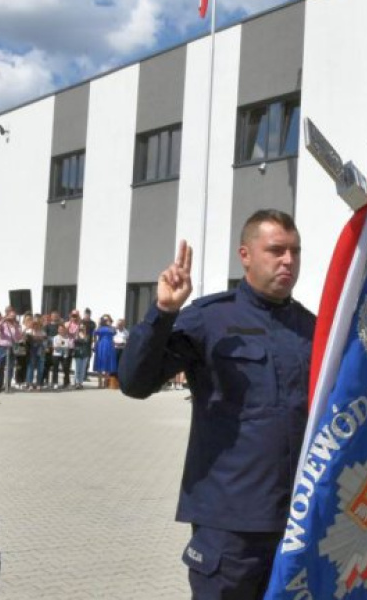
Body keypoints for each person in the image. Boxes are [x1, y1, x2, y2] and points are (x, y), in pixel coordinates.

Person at [119, 209, 314, 599]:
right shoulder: (211, 319)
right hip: (229, 523)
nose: (288, 261)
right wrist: (164, 312)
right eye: (276, 250)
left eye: (294, 251)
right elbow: (134, 382)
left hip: (299, 519)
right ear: (245, 254)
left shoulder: (311, 328)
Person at [92, 315, 116, 389]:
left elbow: (114, 332)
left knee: (108, 363)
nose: (106, 321)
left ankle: (105, 382)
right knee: (100, 363)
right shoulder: (100, 328)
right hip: (101, 346)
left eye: (108, 320)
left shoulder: (112, 328)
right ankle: (99, 383)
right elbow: (94, 333)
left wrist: (110, 324)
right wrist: (95, 343)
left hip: (109, 346)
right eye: (105, 320)